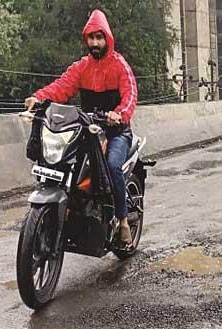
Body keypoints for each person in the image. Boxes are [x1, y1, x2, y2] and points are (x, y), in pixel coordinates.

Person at [25, 9, 138, 245]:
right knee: (66, 165)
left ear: (107, 38)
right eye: (91, 38)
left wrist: (119, 115)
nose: (95, 43)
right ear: (86, 39)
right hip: (88, 131)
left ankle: (123, 220)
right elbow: (61, 87)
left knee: (113, 166)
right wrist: (38, 99)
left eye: (99, 37)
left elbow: (130, 95)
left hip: (116, 132)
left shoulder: (119, 66)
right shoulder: (82, 67)